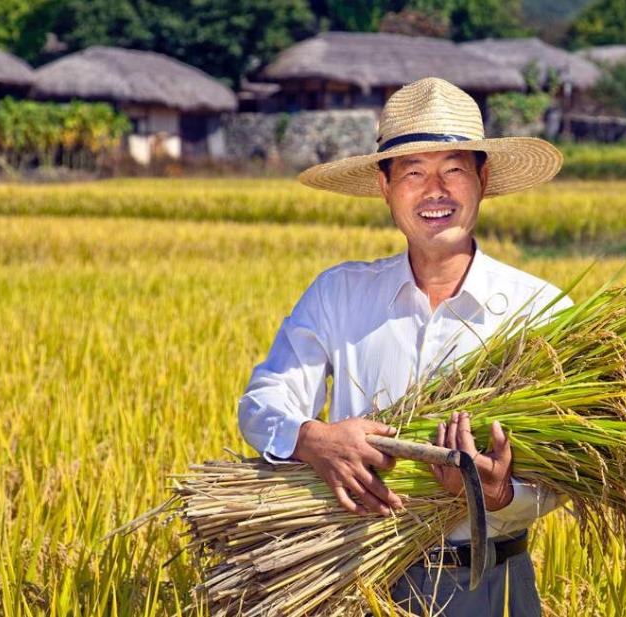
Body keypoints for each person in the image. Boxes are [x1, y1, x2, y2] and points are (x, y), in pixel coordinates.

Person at [238, 77, 571, 616]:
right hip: (349, 578)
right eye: (413, 172)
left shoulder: (542, 313)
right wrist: (312, 438)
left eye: (454, 170)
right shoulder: (338, 294)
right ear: (385, 186)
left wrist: (499, 495)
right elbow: (261, 404)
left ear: (483, 179)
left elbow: (564, 473)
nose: (434, 190)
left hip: (488, 585)